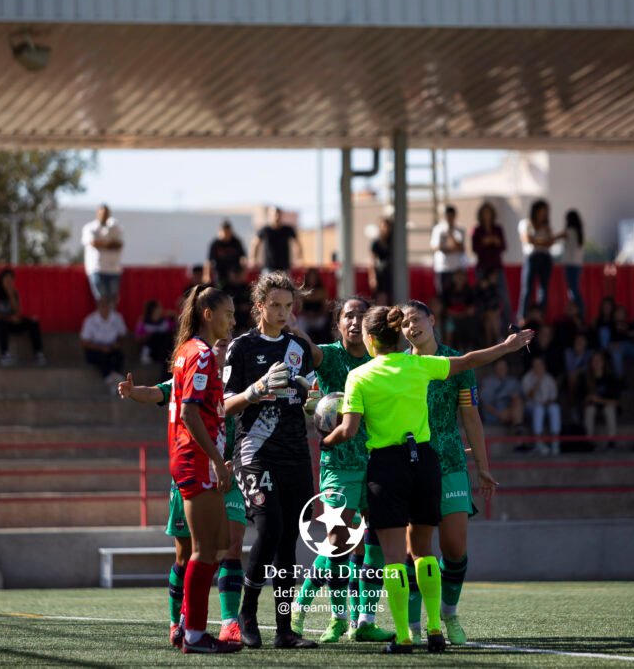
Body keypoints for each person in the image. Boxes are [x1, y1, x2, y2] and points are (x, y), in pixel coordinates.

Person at [321, 306, 533, 653]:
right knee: (424, 553)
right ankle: (435, 628)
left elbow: (348, 430)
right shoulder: (419, 366)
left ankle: (405, 635)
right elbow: (468, 361)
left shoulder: (359, 376)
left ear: (371, 340)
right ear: (397, 334)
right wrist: (506, 346)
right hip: (425, 462)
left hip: (387, 466)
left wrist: (325, 439)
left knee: (394, 558)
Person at [117, 337, 247, 647]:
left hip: (227, 473)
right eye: (215, 340)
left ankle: (229, 623)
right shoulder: (190, 373)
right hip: (195, 472)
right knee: (186, 553)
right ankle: (179, 621)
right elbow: (159, 392)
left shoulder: (239, 377)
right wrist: (135, 392)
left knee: (230, 545)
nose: (220, 343)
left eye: (225, 340)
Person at [222, 271, 317, 650]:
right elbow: (224, 406)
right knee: (270, 528)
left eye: (287, 306)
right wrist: (255, 390)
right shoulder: (241, 348)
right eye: (274, 305)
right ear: (259, 306)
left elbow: (311, 401)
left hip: (296, 453)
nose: (282, 312)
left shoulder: (299, 347)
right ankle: (246, 615)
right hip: (255, 453)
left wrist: (320, 402)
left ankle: (283, 629)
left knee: (289, 541)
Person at [291, 297, 394, 644]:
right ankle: (325, 614)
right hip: (338, 462)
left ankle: (364, 620)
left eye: (361, 316)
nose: (354, 321)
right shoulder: (330, 355)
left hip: (377, 460)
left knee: (374, 543)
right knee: (337, 542)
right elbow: (309, 350)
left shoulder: (380, 361)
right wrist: (290, 324)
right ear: (338, 324)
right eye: (348, 315)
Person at [400, 301, 499, 646]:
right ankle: (413, 625)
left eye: (415, 319)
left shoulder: (457, 362)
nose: (411, 326)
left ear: (431, 319)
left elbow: (471, 416)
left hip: (452, 462)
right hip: (412, 463)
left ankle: (448, 614)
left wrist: (483, 467)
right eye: (404, 324)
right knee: (417, 551)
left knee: (455, 548)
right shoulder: (400, 365)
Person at [154, 285, 240, 653]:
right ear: (208, 315)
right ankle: (194, 635)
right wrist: (219, 462)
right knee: (205, 550)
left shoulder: (186, 351)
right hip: (197, 460)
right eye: (228, 314)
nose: (233, 321)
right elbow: (189, 412)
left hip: (192, 458)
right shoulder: (202, 354)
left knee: (218, 544)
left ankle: (189, 627)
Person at [0, 268, 46, 367]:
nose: (8, 281)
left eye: (11, 279)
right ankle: (5, 355)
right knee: (2, 323)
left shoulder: (14, 292)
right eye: (6, 278)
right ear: (1, 279)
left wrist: (11, 296)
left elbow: (18, 312)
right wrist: (9, 318)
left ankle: (38, 354)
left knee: (33, 322)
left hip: (9, 323)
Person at [517, 199, 562, 321]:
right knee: (527, 288)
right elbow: (528, 239)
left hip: (545, 258)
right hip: (532, 257)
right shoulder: (526, 223)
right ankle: (523, 316)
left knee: (543, 289)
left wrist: (539, 241)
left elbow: (550, 242)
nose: (543, 214)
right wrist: (543, 241)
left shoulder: (546, 227)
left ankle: (540, 315)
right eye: (541, 211)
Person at [471, 201, 514, 326]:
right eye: (485, 213)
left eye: (489, 213)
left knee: (503, 298)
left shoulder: (498, 229)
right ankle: (480, 328)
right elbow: (475, 249)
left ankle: (508, 326)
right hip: (482, 268)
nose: (487, 216)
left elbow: (503, 247)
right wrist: (484, 242)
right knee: (482, 299)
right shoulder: (477, 230)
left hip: (497, 268)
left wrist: (495, 241)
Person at [79, 299, 127, 389]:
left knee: (118, 355)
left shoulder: (117, 318)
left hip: (112, 347)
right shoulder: (90, 320)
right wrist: (101, 348)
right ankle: (110, 379)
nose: (105, 309)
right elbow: (84, 342)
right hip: (95, 349)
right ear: (98, 307)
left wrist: (117, 343)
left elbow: (122, 334)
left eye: (107, 306)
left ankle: (115, 378)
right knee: (102, 357)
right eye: (102, 306)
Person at [81, 204, 123, 302]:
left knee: (113, 299)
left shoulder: (115, 227)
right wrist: (110, 243)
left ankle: (111, 317)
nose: (104, 216)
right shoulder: (90, 227)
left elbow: (119, 244)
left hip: (113, 269)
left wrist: (102, 243)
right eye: (102, 213)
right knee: (101, 299)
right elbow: (94, 243)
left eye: (106, 214)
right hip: (97, 268)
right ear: (97, 213)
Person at [577, 352, 621, 446]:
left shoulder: (610, 377)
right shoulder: (585, 378)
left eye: (599, 360)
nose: (596, 363)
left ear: (603, 362)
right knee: (590, 410)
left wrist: (598, 400)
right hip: (591, 406)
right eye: (594, 360)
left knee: (609, 409)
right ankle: (588, 442)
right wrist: (588, 398)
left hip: (606, 405)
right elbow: (580, 400)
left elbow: (616, 401)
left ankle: (611, 441)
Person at [521, 356, 561, 455]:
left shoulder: (549, 378)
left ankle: (555, 442)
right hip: (531, 407)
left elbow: (554, 397)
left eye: (540, 365)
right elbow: (528, 396)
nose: (538, 367)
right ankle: (538, 442)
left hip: (546, 405)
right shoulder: (527, 377)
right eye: (536, 365)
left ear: (544, 366)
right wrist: (537, 382)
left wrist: (547, 402)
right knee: (539, 409)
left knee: (555, 408)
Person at [431, 205, 466, 303]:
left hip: (457, 269)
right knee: (442, 296)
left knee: (457, 297)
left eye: (452, 215)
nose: (449, 218)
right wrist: (449, 248)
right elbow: (435, 247)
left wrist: (451, 235)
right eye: (448, 215)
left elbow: (461, 248)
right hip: (442, 268)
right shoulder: (438, 229)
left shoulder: (460, 229)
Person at [252, 206, 302, 274]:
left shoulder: (287, 229)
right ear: (270, 215)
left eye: (278, 214)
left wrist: (299, 258)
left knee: (286, 284)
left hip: (284, 267)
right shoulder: (265, 230)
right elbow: (255, 243)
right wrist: (253, 259)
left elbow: (297, 243)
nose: (276, 216)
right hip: (268, 267)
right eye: (274, 214)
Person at [478, 359, 524, 430]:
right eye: (499, 367)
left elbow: (520, 399)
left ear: (507, 368)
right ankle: (517, 430)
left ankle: (517, 429)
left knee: (517, 401)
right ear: (495, 368)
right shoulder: (487, 382)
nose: (501, 369)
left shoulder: (513, 382)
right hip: (493, 414)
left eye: (503, 367)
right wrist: (499, 414)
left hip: (509, 413)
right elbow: (484, 404)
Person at [207, 220, 247, 288]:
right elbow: (209, 261)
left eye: (227, 232)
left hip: (235, 275)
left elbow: (243, 259)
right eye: (224, 232)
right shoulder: (215, 243)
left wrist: (242, 274)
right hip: (220, 274)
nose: (226, 235)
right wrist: (207, 276)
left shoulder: (236, 242)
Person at [135, 299, 175, 368]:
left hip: (163, 351)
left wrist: (174, 315)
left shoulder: (165, 322)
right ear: (153, 309)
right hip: (151, 350)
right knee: (155, 335)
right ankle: (146, 355)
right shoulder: (144, 323)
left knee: (168, 335)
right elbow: (138, 338)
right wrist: (148, 336)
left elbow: (178, 329)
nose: (162, 309)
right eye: (159, 307)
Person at [562, 209, 586, 317]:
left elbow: (556, 237)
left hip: (570, 264)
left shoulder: (569, 231)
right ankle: (577, 312)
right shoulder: (579, 232)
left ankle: (579, 311)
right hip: (577, 264)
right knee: (574, 289)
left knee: (573, 290)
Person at [299, 268, 332, 344]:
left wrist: (316, 315)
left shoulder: (322, 291)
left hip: (318, 317)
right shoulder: (302, 291)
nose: (312, 279)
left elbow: (325, 308)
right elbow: (300, 309)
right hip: (306, 318)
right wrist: (308, 315)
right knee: (300, 323)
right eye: (310, 277)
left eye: (314, 277)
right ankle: (302, 343)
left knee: (321, 323)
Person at [370, 217, 394, 302]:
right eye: (384, 227)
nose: (386, 229)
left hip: (391, 273)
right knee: (381, 297)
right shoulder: (376, 243)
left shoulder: (393, 241)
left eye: (388, 227)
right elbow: (372, 261)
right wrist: (372, 277)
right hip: (380, 274)